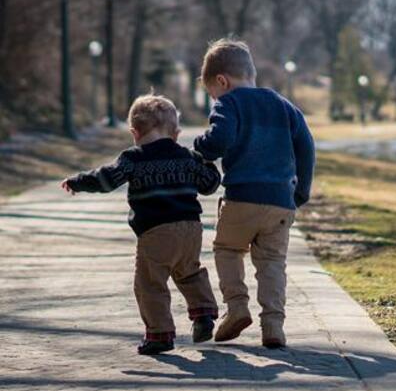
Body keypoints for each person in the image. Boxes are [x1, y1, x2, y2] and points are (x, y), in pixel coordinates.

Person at [61, 94, 220, 355]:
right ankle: (203, 314)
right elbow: (210, 184)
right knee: (189, 272)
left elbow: (106, 179)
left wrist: (78, 181)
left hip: (156, 231)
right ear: (176, 133)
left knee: (150, 283)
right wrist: (207, 162)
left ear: (134, 132)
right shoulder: (187, 157)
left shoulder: (133, 159)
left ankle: (160, 334)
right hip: (191, 229)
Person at [194, 38, 315, 348]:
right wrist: (300, 191)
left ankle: (236, 308)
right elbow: (307, 147)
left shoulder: (229, 103)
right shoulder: (284, 105)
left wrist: (201, 147)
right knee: (273, 262)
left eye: (212, 94)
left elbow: (219, 140)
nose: (214, 99)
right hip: (280, 202)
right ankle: (273, 326)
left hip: (242, 197)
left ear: (222, 81)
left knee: (228, 250)